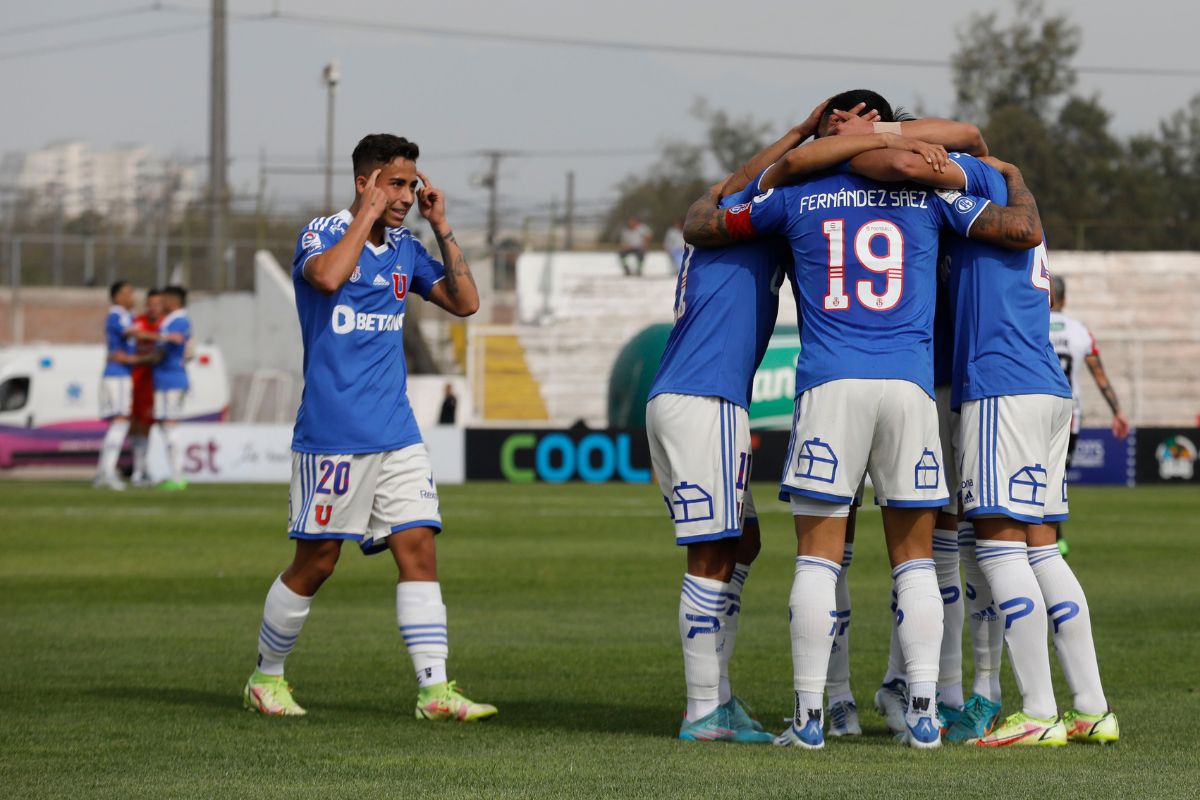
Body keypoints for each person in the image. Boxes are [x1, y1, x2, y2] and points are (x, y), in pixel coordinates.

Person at [683, 88, 1042, 750]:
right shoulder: (929, 195)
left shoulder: (795, 195)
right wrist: (1009, 179)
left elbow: (710, 222)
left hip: (831, 385)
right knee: (915, 564)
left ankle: (810, 719)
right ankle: (926, 716)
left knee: (818, 562)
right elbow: (1018, 230)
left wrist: (763, 170)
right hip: (910, 387)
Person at [647, 99, 902, 743]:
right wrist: (806, 135)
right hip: (702, 396)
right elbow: (755, 181)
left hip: (702, 397)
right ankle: (703, 709)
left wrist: (812, 138)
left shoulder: (751, 215)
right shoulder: (748, 211)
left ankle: (717, 697)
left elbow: (748, 184)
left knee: (743, 543)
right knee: (712, 551)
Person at [852, 146, 1119, 746]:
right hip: (1048, 389)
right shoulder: (1011, 215)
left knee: (998, 552)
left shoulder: (974, 205)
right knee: (1044, 552)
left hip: (999, 387)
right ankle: (1091, 708)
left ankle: (1038, 712)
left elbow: (920, 172)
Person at [242, 133, 494, 723]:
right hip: (333, 433)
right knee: (317, 563)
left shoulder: (407, 248)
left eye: (413, 185)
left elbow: (465, 302)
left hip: (397, 432)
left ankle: (434, 692)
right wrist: (367, 215)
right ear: (365, 182)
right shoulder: (321, 233)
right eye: (396, 184)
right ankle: (265, 677)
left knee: (419, 549)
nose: (407, 195)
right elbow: (328, 278)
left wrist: (441, 225)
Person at [1049, 275, 1130, 555]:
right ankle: (1054, 538)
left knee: (1035, 469)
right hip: (1069, 413)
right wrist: (1117, 411)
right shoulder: (1080, 331)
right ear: (1065, 298)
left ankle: (1039, 536)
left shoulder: (1032, 324)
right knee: (1058, 475)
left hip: (1038, 408)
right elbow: (1099, 375)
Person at [93, 280, 139, 490]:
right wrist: (161, 336)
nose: (132, 297)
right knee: (121, 422)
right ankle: (108, 473)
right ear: (118, 296)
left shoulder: (128, 316)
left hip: (120, 373)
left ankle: (102, 472)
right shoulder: (116, 315)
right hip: (117, 374)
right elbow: (131, 333)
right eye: (129, 293)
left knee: (117, 424)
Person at [150, 285, 192, 491]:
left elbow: (176, 339)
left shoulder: (180, 320)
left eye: (165, 299)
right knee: (165, 426)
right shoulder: (168, 320)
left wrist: (147, 336)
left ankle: (178, 476)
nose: (161, 302)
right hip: (163, 379)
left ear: (174, 301)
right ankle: (174, 473)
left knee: (170, 425)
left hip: (173, 379)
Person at [129, 289, 164, 486]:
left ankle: (142, 468)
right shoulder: (139, 321)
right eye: (150, 304)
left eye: (157, 304)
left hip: (153, 382)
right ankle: (138, 469)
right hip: (135, 380)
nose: (153, 308)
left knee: (147, 425)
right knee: (133, 424)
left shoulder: (165, 324)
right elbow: (133, 333)